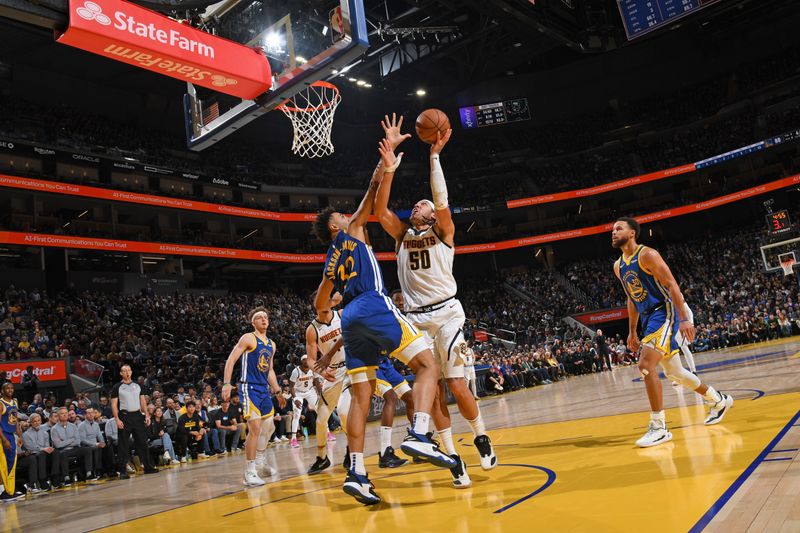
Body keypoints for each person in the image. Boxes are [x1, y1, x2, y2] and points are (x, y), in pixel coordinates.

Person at [311, 115, 456, 506]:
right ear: (336, 225)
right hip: (374, 305)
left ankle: (357, 472)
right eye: (340, 215)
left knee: (361, 398)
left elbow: (320, 305)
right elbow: (373, 193)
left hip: (350, 317)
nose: (346, 214)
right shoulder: (352, 229)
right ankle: (420, 434)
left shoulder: (328, 259)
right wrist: (387, 157)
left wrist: (335, 301)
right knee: (428, 365)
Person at [372, 118, 496, 487]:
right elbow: (380, 212)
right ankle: (450, 454)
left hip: (446, 313)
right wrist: (389, 167)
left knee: (457, 385)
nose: (418, 206)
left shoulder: (444, 232)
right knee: (433, 390)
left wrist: (435, 158)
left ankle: (481, 435)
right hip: (415, 318)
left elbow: (440, 200)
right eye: (415, 205)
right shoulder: (401, 235)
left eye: (422, 205)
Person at [612, 217, 734, 447]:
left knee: (645, 365)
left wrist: (684, 319)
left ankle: (659, 426)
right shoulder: (618, 266)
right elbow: (631, 297)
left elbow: (671, 284)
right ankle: (718, 400)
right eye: (612, 229)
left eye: (619, 228)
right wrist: (631, 332)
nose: (613, 232)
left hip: (664, 312)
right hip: (647, 317)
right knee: (676, 373)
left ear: (631, 233)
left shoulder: (647, 255)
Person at [221, 307, 285, 487]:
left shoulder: (271, 344)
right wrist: (226, 383)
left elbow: (270, 370)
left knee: (269, 426)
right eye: (260, 317)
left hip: (264, 389)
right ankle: (249, 471)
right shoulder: (248, 338)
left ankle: (261, 461)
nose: (264, 319)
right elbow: (231, 359)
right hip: (248, 387)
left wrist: (278, 391)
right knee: (255, 428)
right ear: (253, 322)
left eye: (266, 317)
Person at [305, 294, 349, 474]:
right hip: (332, 373)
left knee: (345, 412)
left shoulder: (342, 315)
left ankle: (351, 450)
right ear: (315, 306)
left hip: (350, 368)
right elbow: (310, 360)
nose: (325, 304)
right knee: (321, 418)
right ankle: (322, 458)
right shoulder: (312, 329)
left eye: (327, 300)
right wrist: (321, 371)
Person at [111, 364, 158, 477]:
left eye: (128, 370)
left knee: (142, 442)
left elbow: (142, 401)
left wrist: (146, 415)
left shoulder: (137, 385)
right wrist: (117, 419)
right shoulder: (117, 387)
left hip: (137, 415)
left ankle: (148, 467)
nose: (126, 372)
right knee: (123, 445)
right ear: (121, 373)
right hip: (124, 416)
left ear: (131, 372)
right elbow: (113, 405)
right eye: (124, 371)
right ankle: (122, 471)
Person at [51, 407, 94, 483]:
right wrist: (71, 439)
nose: (64, 415)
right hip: (63, 451)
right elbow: (58, 445)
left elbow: (77, 441)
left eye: (66, 413)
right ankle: (66, 477)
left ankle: (89, 473)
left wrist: (65, 442)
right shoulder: (54, 429)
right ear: (58, 416)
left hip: (75, 448)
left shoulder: (73, 426)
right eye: (62, 413)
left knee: (87, 450)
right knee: (63, 454)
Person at [288, 355, 318, 448]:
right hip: (298, 392)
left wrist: (320, 393)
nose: (307, 361)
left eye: (308, 359)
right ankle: (293, 439)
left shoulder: (312, 369)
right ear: (301, 362)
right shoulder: (296, 371)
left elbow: (316, 381)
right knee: (297, 415)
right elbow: (291, 387)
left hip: (309, 391)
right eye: (304, 360)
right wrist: (295, 398)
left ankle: (327, 432)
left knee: (320, 410)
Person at [0, 382, 24, 501]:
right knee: (5, 464)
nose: (10, 390)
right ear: (2, 391)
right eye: (7, 388)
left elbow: (15, 421)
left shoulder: (14, 402)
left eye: (11, 388)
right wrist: (4, 440)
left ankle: (10, 490)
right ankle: (8, 492)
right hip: (2, 437)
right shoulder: (1, 404)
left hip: (10, 435)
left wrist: (20, 436)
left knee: (12, 463)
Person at [21, 413, 56, 491]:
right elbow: (29, 448)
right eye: (34, 421)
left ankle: (56, 478)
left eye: (38, 420)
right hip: (33, 455)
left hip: (43, 453)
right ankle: (42, 481)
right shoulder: (26, 434)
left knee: (56, 453)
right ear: (31, 422)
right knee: (41, 454)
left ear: (41, 421)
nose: (37, 423)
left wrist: (47, 449)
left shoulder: (45, 433)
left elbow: (47, 445)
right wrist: (42, 449)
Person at [78, 408, 106, 479]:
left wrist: (102, 442)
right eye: (88, 413)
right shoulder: (82, 425)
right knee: (97, 448)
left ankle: (109, 469)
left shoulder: (96, 424)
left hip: (96, 444)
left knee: (107, 447)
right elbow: (82, 440)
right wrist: (96, 444)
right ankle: (96, 470)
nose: (91, 414)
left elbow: (99, 435)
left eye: (92, 413)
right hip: (86, 446)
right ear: (85, 415)